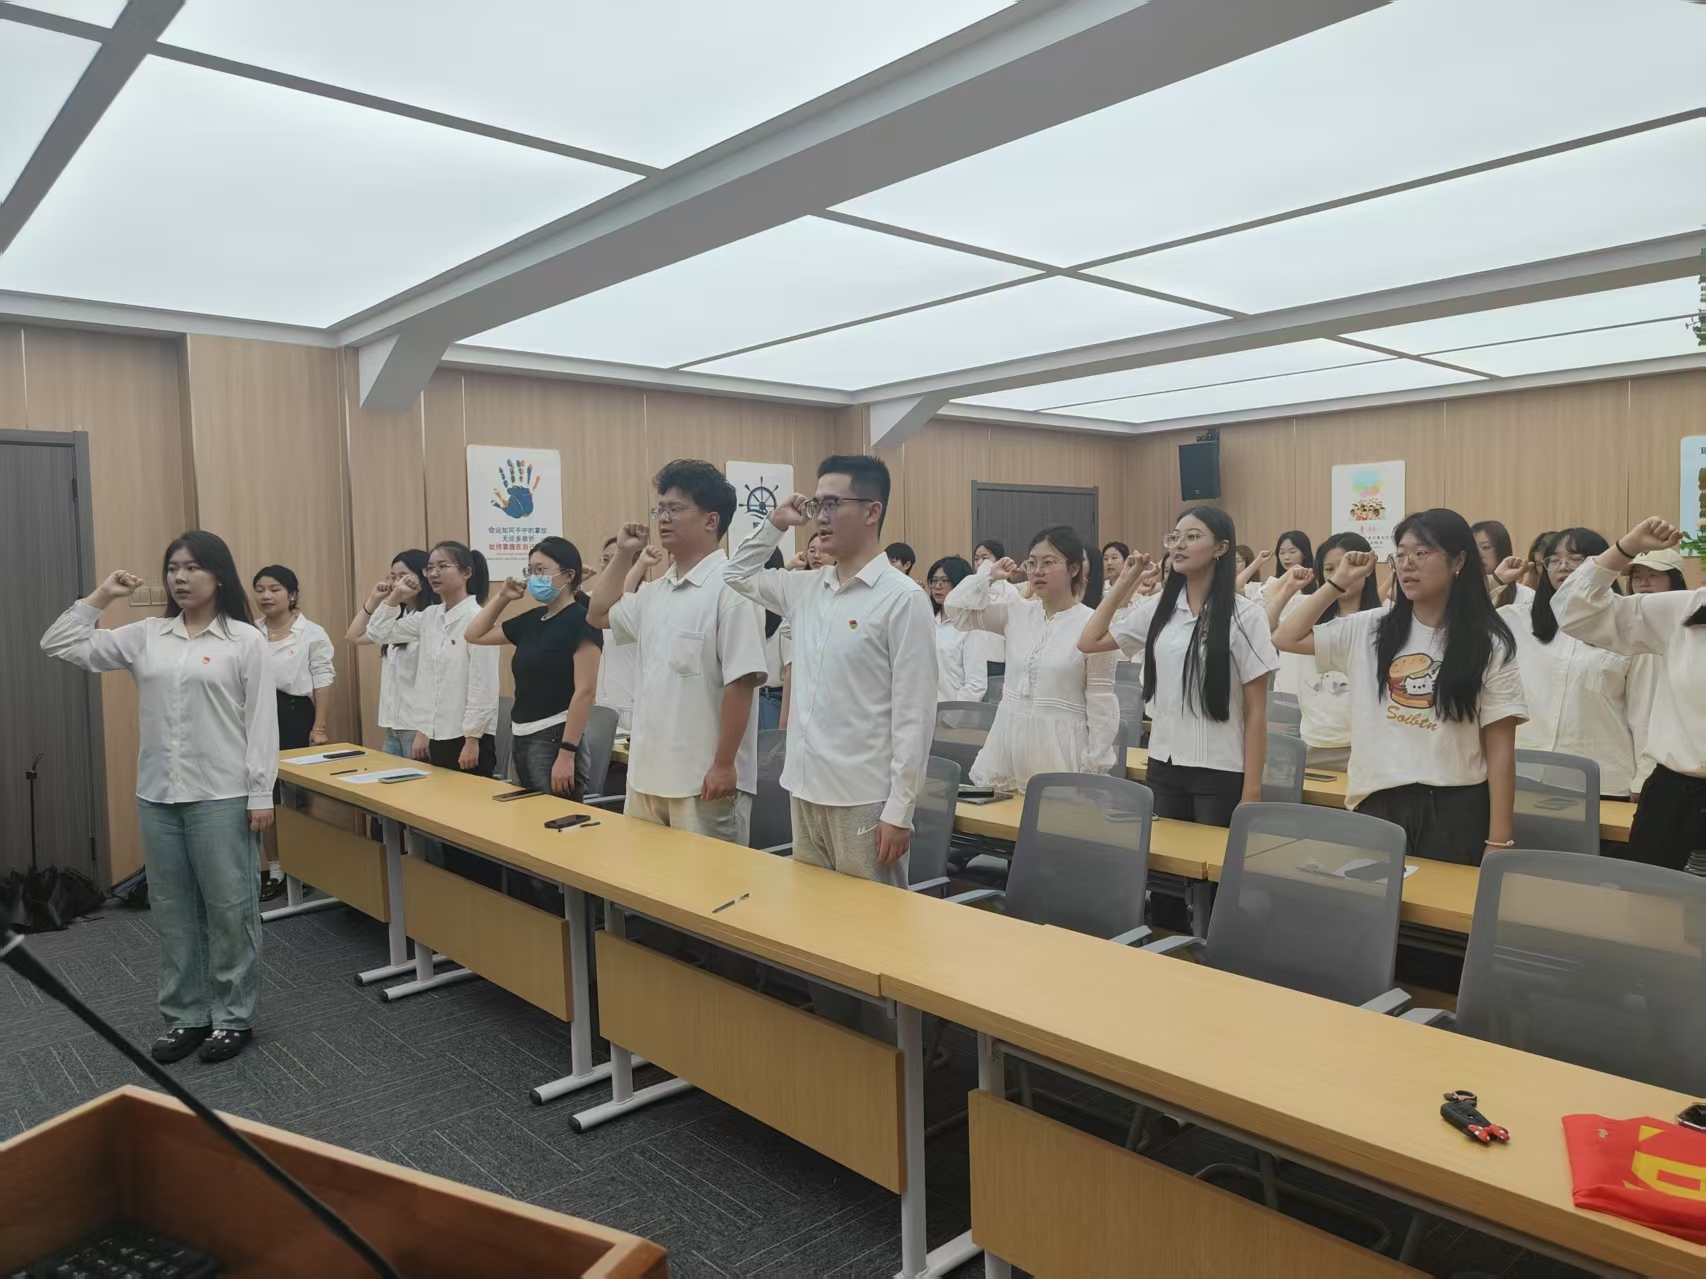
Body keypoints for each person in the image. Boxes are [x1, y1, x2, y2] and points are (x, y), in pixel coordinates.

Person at [41, 531, 276, 1064]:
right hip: (159, 795)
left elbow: (263, 722)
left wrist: (261, 793)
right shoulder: (147, 635)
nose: (180, 577)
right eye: (173, 568)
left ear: (218, 575)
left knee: (230, 911)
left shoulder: (245, 640)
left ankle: (232, 1017)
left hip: (222, 794)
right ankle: (187, 1015)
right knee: (172, 911)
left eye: (192, 567)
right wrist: (103, 595)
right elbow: (59, 643)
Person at [725, 454, 936, 888]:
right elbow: (736, 573)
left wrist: (900, 810)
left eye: (832, 504)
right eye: (816, 504)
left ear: (872, 511)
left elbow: (915, 714)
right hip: (805, 788)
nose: (820, 516)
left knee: (870, 922)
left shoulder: (902, 598)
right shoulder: (805, 589)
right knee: (812, 913)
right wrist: (776, 523)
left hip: (864, 799)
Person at [1272, 509, 1526, 865]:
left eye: (1422, 553)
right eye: (1401, 554)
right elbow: (1285, 636)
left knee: (1445, 901)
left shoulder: (1489, 641)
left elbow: (1500, 750)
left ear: (1458, 561)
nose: (1408, 564)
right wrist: (1336, 583)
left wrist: (1499, 840)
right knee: (1373, 900)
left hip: (1456, 806)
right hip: (1377, 803)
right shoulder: (1371, 628)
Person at [589, 461, 769, 846]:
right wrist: (623, 555)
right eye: (660, 510)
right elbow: (598, 614)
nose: (664, 518)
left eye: (676, 508)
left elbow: (741, 683)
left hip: (703, 783)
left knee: (708, 883)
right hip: (646, 778)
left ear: (711, 520)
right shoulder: (655, 593)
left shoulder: (732, 589)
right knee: (644, 882)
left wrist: (724, 765)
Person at [1082, 506, 1277, 826]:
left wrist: (1251, 792)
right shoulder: (1160, 608)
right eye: (1175, 538)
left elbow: (1256, 711)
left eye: (1193, 536)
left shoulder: (1246, 616)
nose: (1179, 545)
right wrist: (1126, 580)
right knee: (1165, 856)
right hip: (1163, 764)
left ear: (1221, 548)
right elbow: (1090, 641)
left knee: (1213, 857)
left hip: (1220, 769)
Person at [1553, 518, 1705, 871]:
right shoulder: (1685, 609)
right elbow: (1573, 611)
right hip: (1672, 796)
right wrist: (1626, 548)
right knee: (1647, 900)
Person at [948, 528, 1117, 791]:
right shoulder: (1016, 612)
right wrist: (988, 575)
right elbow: (956, 611)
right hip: (1008, 745)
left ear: (1074, 569)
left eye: (1048, 563)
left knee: (1053, 814)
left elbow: (1101, 702)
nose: (1038, 571)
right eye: (1032, 562)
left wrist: (1095, 764)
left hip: (1060, 751)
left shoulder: (1093, 626)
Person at [1496, 528, 1634, 798]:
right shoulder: (1515, 620)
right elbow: (1456, 627)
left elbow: (1643, 710)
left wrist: (1643, 778)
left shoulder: (1628, 623)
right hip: (1524, 772)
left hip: (1603, 777)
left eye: (1576, 559)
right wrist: (1496, 580)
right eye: (1554, 559)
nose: (1563, 566)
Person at [464, 537, 602, 797]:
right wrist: (503, 597)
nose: (534, 577)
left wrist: (567, 754)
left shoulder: (583, 620)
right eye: (531, 570)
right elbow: (473, 634)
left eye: (541, 570)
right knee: (526, 817)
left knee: (555, 818)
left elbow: (585, 692)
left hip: (556, 737)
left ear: (568, 575)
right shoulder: (533, 620)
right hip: (521, 733)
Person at [365, 541, 499, 776]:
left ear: (466, 572)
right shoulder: (430, 616)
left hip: (468, 739)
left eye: (442, 566)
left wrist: (472, 739)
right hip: (437, 734)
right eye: (430, 568)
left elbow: (483, 686)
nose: (434, 573)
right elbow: (378, 633)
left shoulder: (478, 619)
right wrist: (395, 597)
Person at [1264, 532, 1381, 769]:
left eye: (1345, 567)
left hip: (1364, 744)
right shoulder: (1306, 611)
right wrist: (1289, 588)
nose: (1340, 575)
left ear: (1367, 569)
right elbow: (1265, 630)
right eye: (1329, 569)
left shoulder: (1379, 619)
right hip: (1313, 739)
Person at [347, 550, 437, 758]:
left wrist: (424, 731)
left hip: (418, 726)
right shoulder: (397, 614)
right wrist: (374, 599)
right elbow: (354, 636)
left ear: (423, 577)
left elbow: (436, 679)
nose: (397, 583)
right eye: (393, 577)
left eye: (403, 576)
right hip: (394, 724)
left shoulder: (431, 616)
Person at [1623, 546, 1690, 794]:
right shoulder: (1632, 626)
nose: (1643, 583)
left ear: (1675, 580)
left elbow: (1648, 713)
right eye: (1637, 577)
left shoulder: (1669, 630)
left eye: (1653, 575)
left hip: (1666, 773)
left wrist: (1643, 778)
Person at [253, 565, 335, 751]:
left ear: (292, 595)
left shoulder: (312, 633)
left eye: (274, 590)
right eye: (259, 590)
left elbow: (322, 679)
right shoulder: (249, 631)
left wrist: (319, 728)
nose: (265, 596)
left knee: (290, 767)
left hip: (293, 713)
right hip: (255, 712)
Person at [594, 533, 650, 731]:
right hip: (599, 706)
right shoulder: (593, 602)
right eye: (605, 559)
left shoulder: (650, 595)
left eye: (618, 559)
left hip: (636, 707)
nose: (610, 566)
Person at [927, 555, 986, 703]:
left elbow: (976, 685)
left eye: (945, 580)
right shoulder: (926, 620)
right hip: (923, 709)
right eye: (934, 580)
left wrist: (952, 712)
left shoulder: (970, 627)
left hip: (953, 712)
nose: (938, 586)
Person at [758, 549, 787, 732]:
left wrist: (784, 723)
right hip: (752, 696)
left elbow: (791, 673)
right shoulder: (752, 610)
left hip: (772, 699)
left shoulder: (785, 615)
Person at [1472, 519, 1531, 609]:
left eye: (1485, 547)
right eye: (1473, 549)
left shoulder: (1526, 597)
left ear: (1501, 550)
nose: (1478, 555)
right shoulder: (1462, 594)